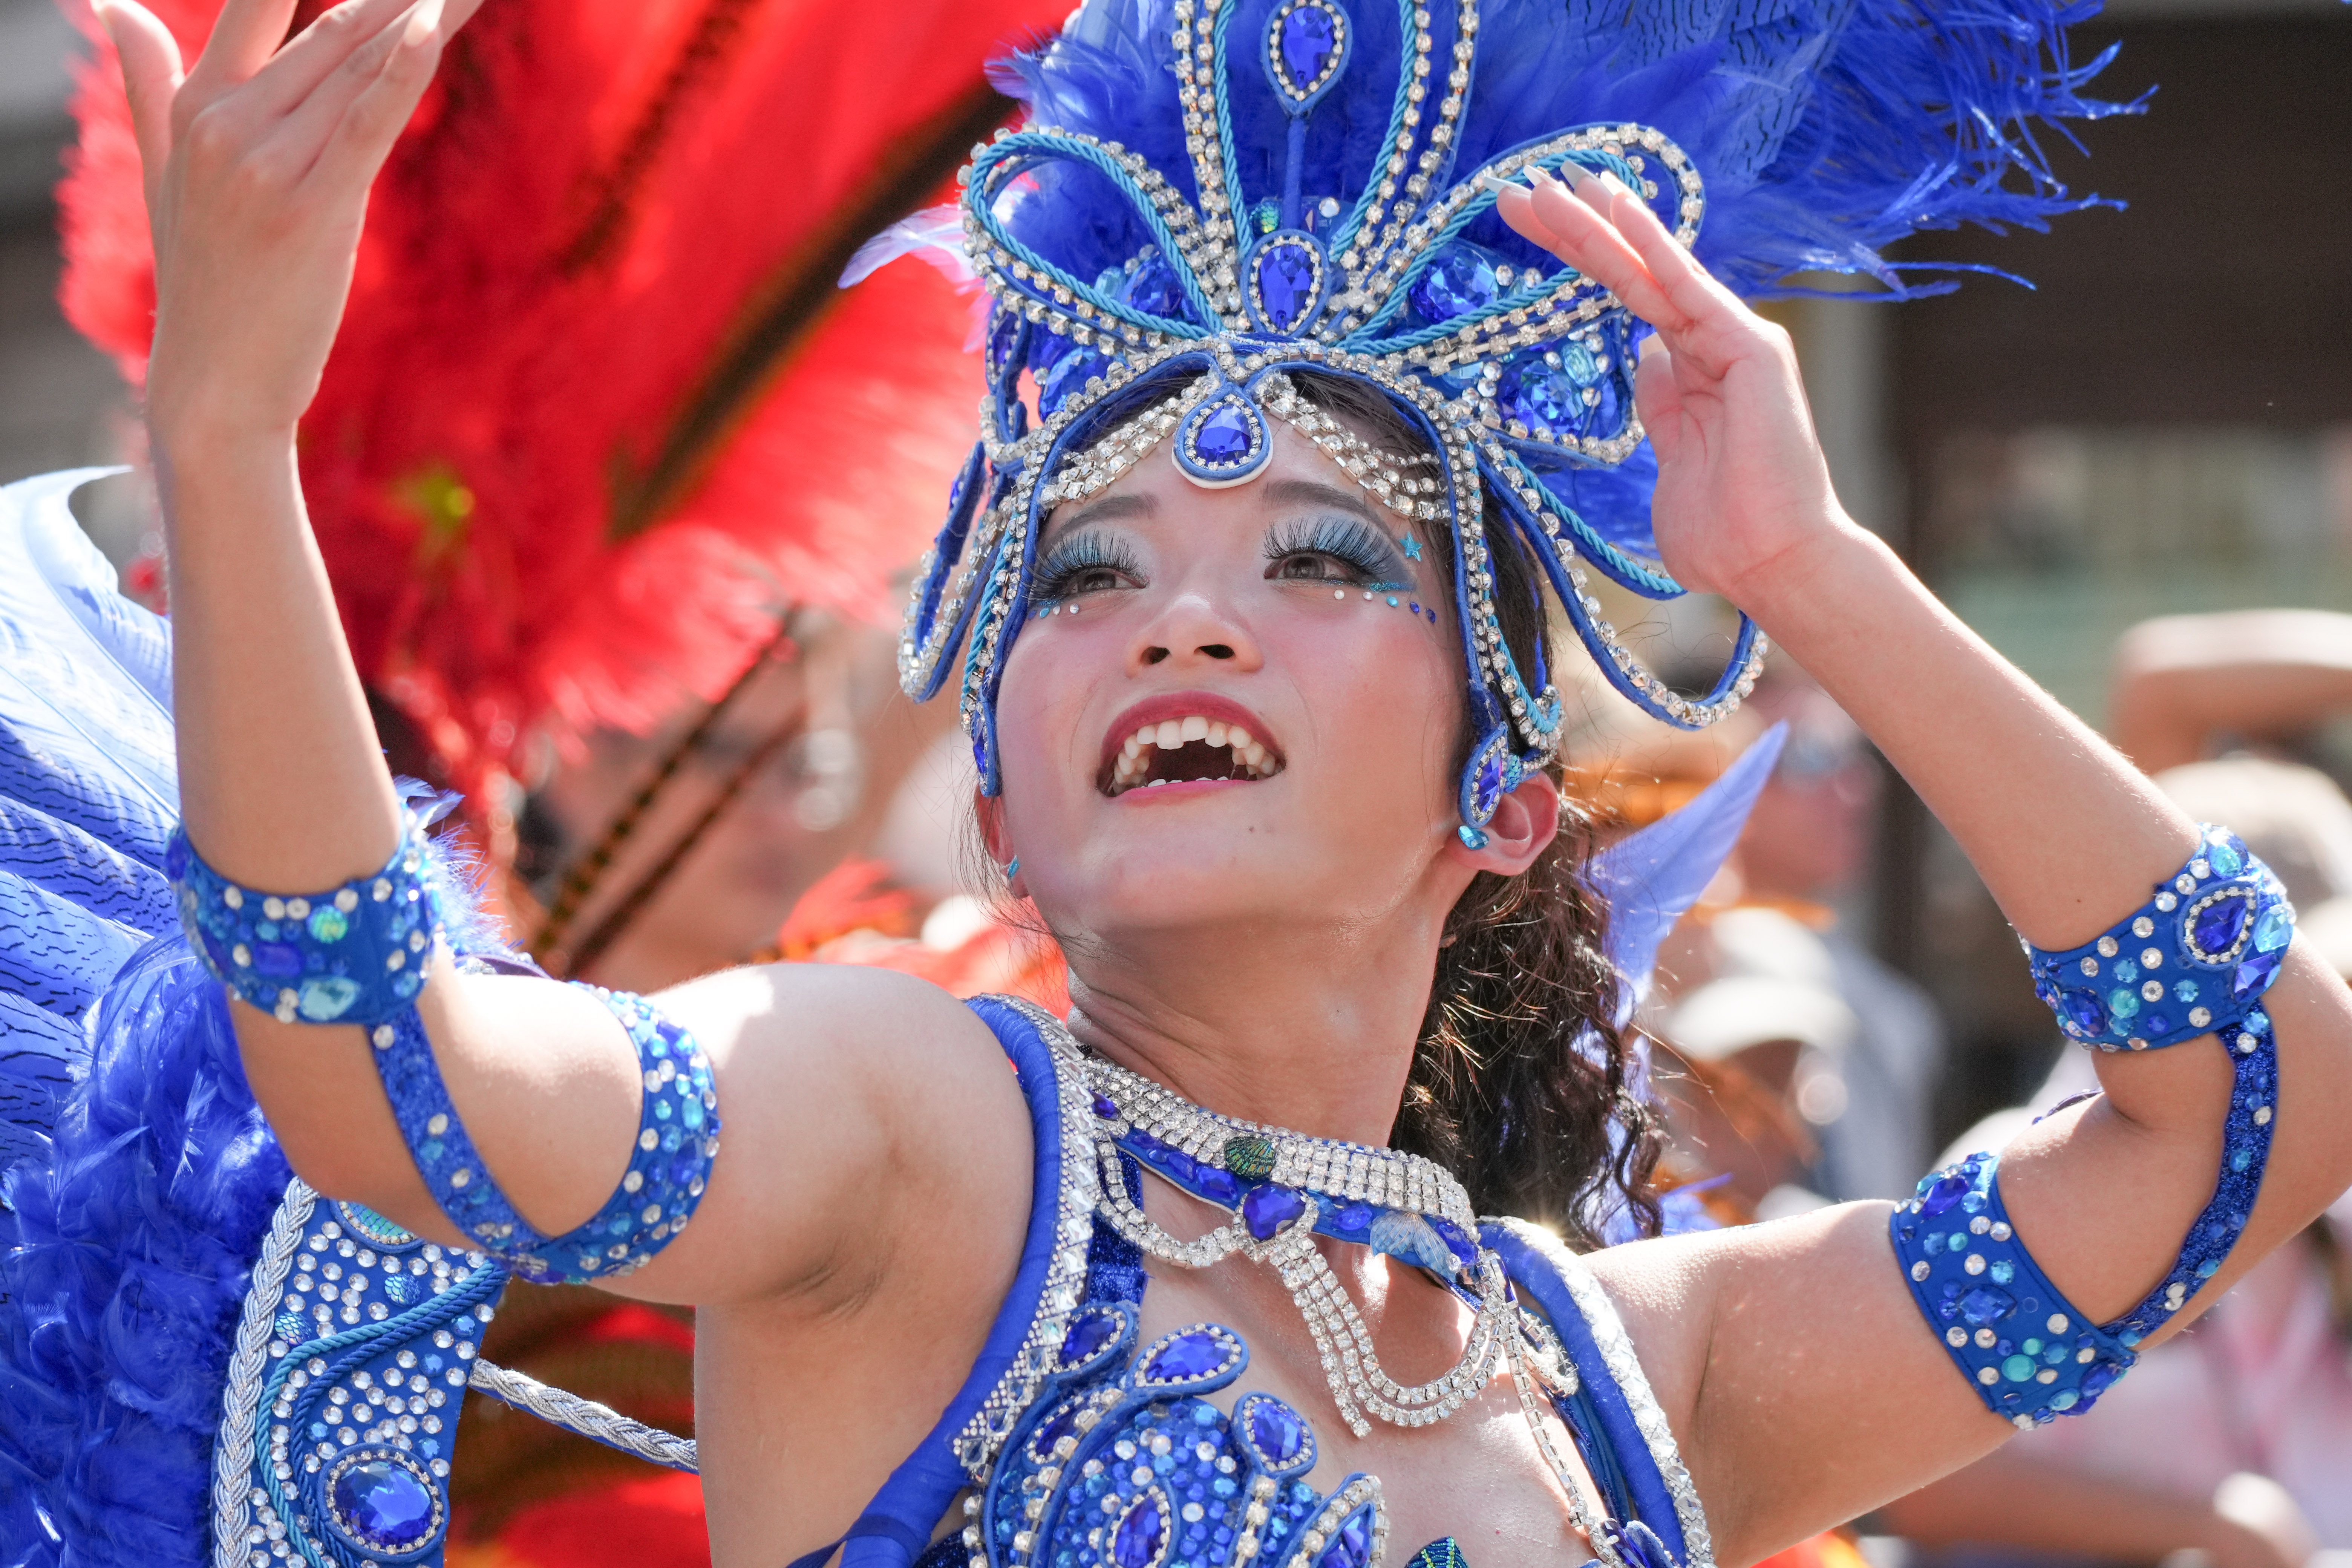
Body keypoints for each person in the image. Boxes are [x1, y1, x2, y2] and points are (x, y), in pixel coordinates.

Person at [8, 5, 2352, 1568]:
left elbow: (2244, 1109)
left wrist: (1810, 571)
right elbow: (404, 1086)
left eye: (1323, 558)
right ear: (1005, 811)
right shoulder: (924, 1146)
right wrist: (234, 439)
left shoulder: (1653, 1377)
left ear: (1507, 797)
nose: (1182, 622)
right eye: (1087, 572)